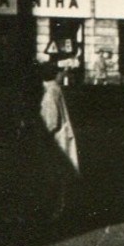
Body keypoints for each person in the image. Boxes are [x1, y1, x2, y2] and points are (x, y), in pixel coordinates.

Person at [37, 61, 80, 220]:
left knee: (54, 174)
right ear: (55, 74)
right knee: (58, 174)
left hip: (55, 139)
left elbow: (50, 121)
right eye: (60, 72)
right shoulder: (53, 90)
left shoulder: (50, 90)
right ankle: (57, 207)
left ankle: (55, 208)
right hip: (58, 139)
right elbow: (52, 119)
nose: (63, 75)